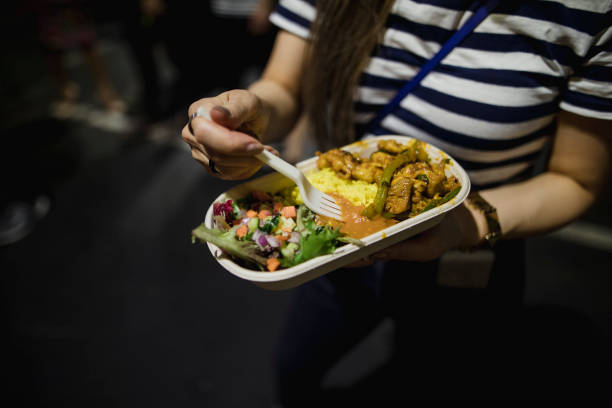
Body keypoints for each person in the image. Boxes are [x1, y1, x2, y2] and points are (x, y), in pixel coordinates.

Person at [182, 0, 611, 405]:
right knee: (295, 368)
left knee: (433, 383)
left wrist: (463, 226)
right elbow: (282, 87)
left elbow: (577, 180)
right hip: (339, 248)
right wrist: (249, 115)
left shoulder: (589, 14)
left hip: (476, 245)